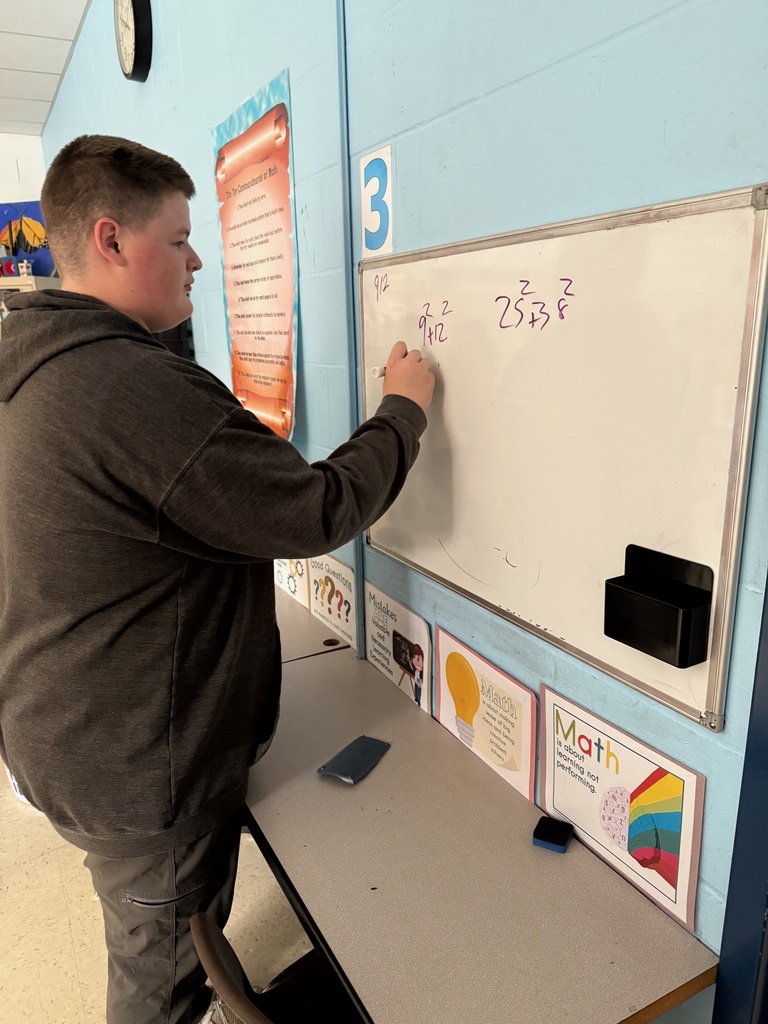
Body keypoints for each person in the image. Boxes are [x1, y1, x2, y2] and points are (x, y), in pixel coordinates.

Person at [0, 135, 434, 1024]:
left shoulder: (29, 359)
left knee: (155, 930)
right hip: (133, 772)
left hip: (61, 730)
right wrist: (404, 410)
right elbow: (316, 511)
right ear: (113, 242)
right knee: (160, 980)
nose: (199, 260)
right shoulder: (127, 387)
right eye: (179, 239)